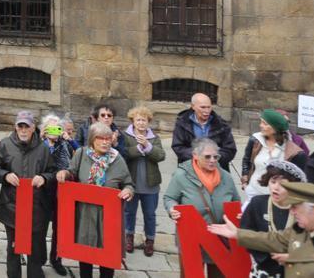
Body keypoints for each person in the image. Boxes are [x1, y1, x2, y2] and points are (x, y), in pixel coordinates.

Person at [207, 181, 314, 278]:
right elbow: (273, 239)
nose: (292, 212)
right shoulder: (300, 233)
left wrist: (295, 259)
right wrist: (237, 233)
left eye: (296, 207)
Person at [57, 122, 134, 278]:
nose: (106, 142)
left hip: (108, 216)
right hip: (85, 214)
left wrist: (128, 190)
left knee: (107, 256)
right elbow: (72, 172)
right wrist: (64, 173)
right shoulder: (81, 153)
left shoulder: (117, 159)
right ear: (92, 139)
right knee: (86, 253)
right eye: (101, 138)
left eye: (108, 138)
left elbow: (128, 183)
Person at [0, 110, 59, 278]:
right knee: (13, 249)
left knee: (35, 250)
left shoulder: (43, 149)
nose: (23, 130)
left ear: (32, 127)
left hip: (36, 209)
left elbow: (52, 172)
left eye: (26, 127)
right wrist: (5, 175)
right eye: (20, 126)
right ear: (15, 127)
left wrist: (44, 178)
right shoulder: (5, 145)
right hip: (12, 207)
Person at [164, 138, 241, 278]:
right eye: (207, 156)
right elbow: (169, 198)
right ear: (195, 155)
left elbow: (236, 202)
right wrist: (172, 209)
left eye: (215, 157)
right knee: (191, 274)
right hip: (191, 236)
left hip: (219, 238)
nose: (212, 160)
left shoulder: (226, 177)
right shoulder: (181, 176)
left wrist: (239, 215)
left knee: (219, 275)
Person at [239, 160, 307, 278]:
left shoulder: (302, 208)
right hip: (264, 269)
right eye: (273, 181)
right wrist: (269, 257)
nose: (276, 187)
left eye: (282, 184)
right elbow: (246, 233)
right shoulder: (257, 203)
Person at [120, 105, 165, 257]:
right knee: (129, 212)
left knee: (150, 214)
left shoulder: (154, 138)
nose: (141, 123)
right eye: (138, 120)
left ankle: (150, 241)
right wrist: (138, 148)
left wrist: (147, 146)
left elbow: (161, 156)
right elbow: (123, 154)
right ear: (133, 121)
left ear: (148, 122)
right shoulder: (125, 136)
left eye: (144, 120)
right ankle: (129, 237)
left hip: (150, 185)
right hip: (131, 184)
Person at [241, 109, 306, 199]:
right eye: (261, 122)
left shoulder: (293, 152)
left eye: (265, 123)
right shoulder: (256, 140)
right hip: (252, 191)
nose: (261, 126)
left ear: (275, 128)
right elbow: (246, 160)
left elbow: (298, 179)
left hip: (276, 195)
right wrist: (245, 181)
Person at [171, 93, 237, 171]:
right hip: (190, 169)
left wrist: (212, 158)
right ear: (193, 106)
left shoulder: (221, 124)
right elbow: (178, 147)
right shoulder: (182, 122)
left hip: (217, 170)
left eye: (209, 107)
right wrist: (199, 157)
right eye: (203, 107)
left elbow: (230, 149)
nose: (207, 111)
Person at [40, 113, 71, 276]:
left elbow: (66, 165)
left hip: (59, 191)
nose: (54, 130)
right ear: (45, 129)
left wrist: (63, 141)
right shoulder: (38, 143)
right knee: (40, 226)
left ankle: (56, 258)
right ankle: (38, 259)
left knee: (59, 227)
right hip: (42, 190)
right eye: (50, 127)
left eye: (57, 127)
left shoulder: (63, 144)